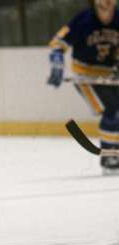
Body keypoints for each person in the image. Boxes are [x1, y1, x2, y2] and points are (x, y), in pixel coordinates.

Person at [47, 0, 119, 174]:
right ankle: (110, 157)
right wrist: (57, 63)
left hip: (109, 74)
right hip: (85, 75)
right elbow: (58, 43)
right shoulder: (83, 20)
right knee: (111, 111)